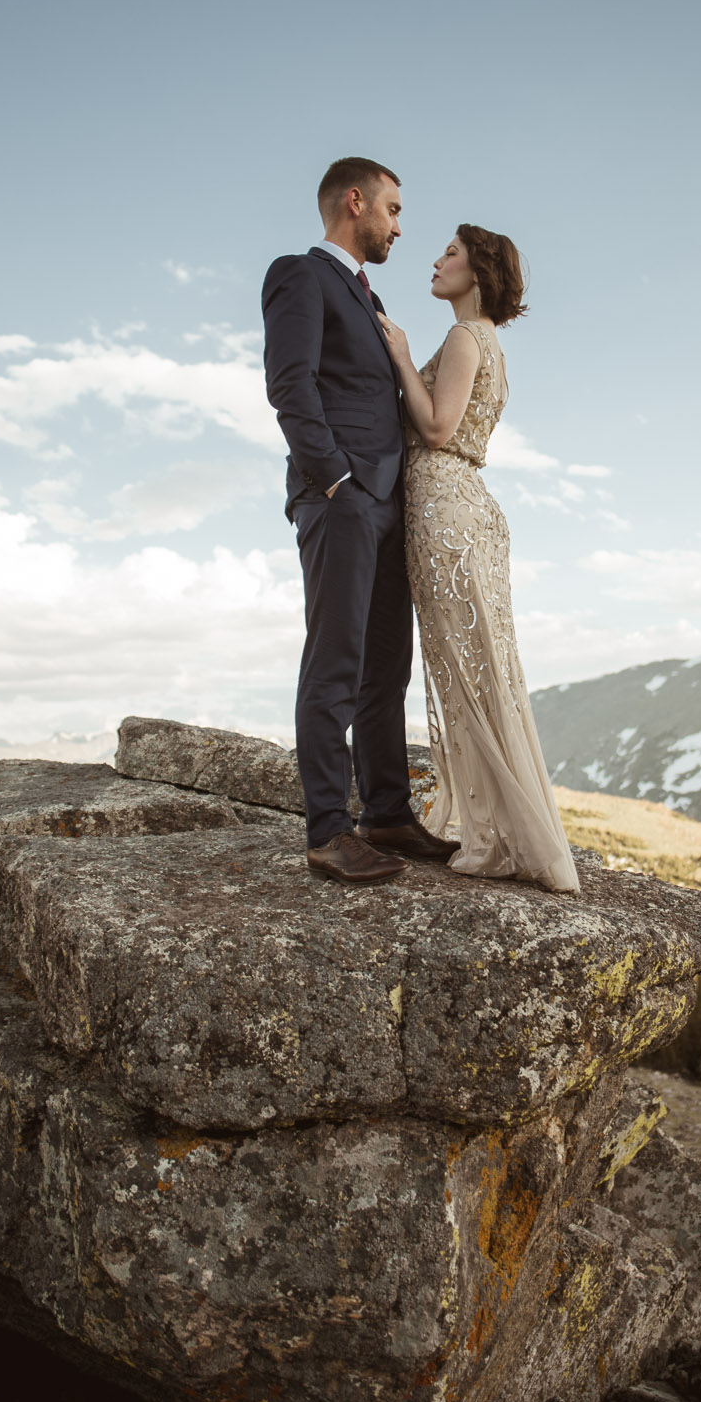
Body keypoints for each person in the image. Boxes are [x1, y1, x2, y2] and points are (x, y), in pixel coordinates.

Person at [262, 159, 460, 883]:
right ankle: (326, 832)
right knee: (336, 662)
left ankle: (385, 814)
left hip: (386, 502)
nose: (400, 227)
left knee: (386, 667)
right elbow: (290, 383)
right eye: (394, 210)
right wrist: (336, 478)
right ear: (356, 202)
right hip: (340, 499)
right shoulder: (300, 275)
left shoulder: (364, 294)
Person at [379, 227, 579, 893]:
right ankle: (503, 823)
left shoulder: (466, 338)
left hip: (444, 504)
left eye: (450, 254)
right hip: (464, 507)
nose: (435, 262)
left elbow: (436, 428)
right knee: (480, 665)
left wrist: (402, 358)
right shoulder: (486, 342)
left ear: (479, 268)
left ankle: (501, 833)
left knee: (465, 669)